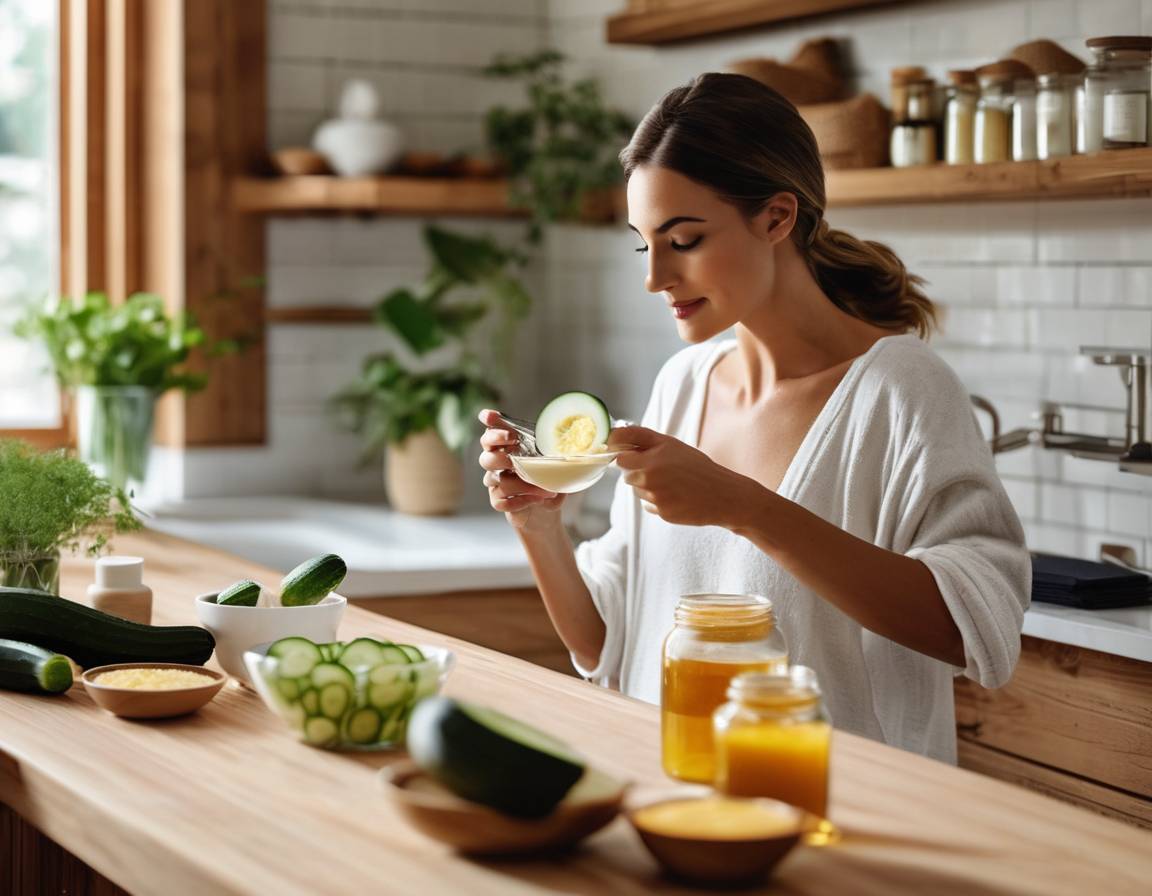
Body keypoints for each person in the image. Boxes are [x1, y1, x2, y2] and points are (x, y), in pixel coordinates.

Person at [477, 72, 1030, 763]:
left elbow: (975, 629)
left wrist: (744, 507)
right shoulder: (683, 384)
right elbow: (606, 646)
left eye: (684, 240)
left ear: (776, 217)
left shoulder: (901, 388)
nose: (656, 278)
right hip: (680, 807)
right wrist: (538, 525)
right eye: (645, 245)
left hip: (840, 818)